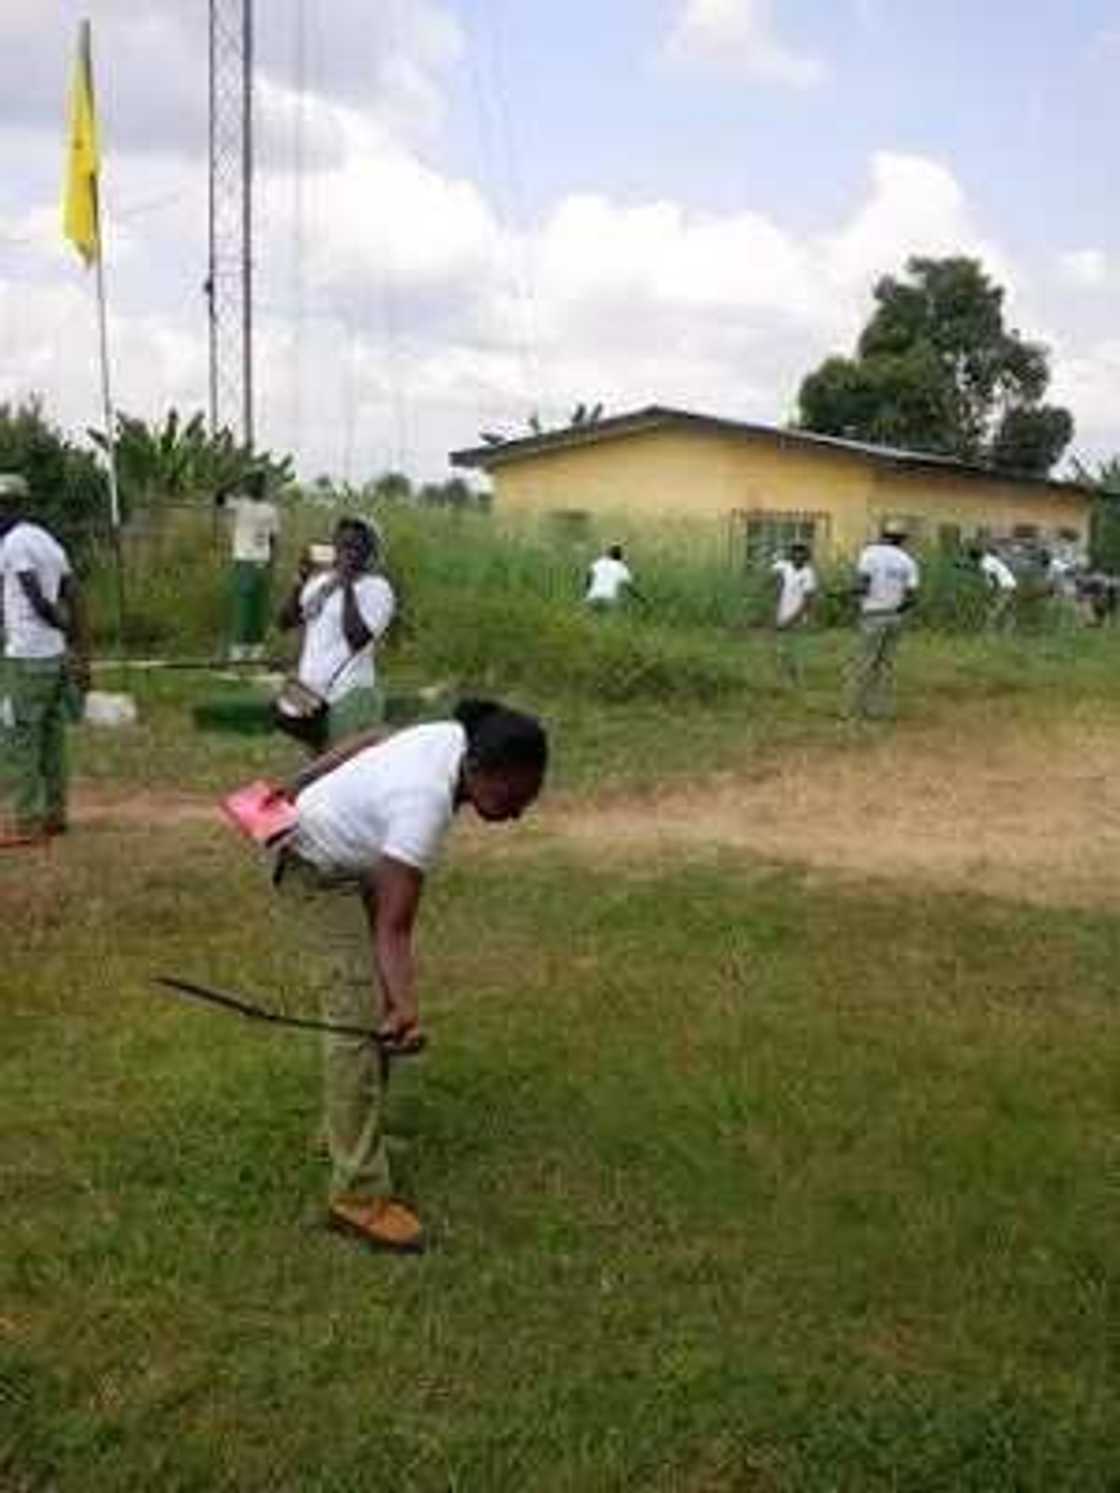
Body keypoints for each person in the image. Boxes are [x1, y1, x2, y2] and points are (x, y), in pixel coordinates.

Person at [268, 698, 548, 1253]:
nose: (517, 813)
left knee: (375, 1013)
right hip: (314, 869)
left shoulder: (453, 737)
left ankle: (347, 1135)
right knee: (357, 1019)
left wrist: (293, 784)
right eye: (513, 797)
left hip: (351, 859)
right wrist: (405, 1009)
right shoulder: (423, 806)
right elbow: (392, 931)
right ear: (481, 772)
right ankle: (358, 1197)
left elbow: (370, 738)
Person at [0, 473, 90, 845]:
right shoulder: (48, 542)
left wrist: (60, 624)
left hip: (26, 656)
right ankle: (56, 815)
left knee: (21, 738)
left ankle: (27, 823)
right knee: (52, 739)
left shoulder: (14, 544)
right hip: (53, 658)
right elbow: (74, 592)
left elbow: (35, 599)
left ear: (9, 507)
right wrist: (77, 648)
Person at [278, 516, 394, 746]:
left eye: (354, 547)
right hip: (306, 689)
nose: (346, 552)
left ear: (370, 552)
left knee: (339, 759)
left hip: (348, 692)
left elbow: (357, 639)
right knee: (307, 745)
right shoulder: (322, 582)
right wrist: (300, 579)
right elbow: (285, 622)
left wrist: (348, 584)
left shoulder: (377, 588)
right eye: (341, 545)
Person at [849, 523, 920, 720]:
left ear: (882, 536)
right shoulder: (908, 561)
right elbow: (911, 598)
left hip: (872, 615)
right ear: (902, 540)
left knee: (865, 662)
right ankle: (880, 709)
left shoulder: (869, 553)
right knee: (885, 665)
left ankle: (856, 709)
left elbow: (863, 585)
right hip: (895, 618)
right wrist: (897, 610)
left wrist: (851, 594)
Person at [215, 467, 280, 661]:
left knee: (259, 609)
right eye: (252, 481)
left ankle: (256, 651)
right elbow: (218, 497)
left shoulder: (270, 510)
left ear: (264, 485)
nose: (256, 485)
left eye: (260, 481)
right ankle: (238, 652)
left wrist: (272, 564)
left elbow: (274, 538)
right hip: (244, 562)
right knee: (243, 607)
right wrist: (236, 479)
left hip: (263, 562)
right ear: (247, 484)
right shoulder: (239, 505)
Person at [770, 541, 818, 684]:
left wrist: (791, 620)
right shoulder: (786, 567)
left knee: (795, 651)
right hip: (782, 614)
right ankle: (782, 680)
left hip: (797, 618)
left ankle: (796, 680)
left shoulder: (809, 574)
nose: (798, 555)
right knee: (781, 650)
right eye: (795, 552)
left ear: (807, 556)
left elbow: (807, 602)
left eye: (802, 552)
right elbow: (772, 568)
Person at [968, 544, 1017, 632]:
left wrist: (995, 590)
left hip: (1003, 587)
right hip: (1012, 584)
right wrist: (965, 567)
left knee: (994, 610)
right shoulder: (989, 558)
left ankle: (989, 631)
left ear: (975, 558)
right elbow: (979, 569)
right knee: (1008, 611)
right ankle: (1008, 631)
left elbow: (993, 576)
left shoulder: (985, 563)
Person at [585, 543, 642, 610]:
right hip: (609, 600)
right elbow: (630, 588)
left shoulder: (600, 562)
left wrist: (587, 589)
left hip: (592, 598)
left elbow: (589, 573)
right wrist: (641, 599)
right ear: (620, 557)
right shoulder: (621, 567)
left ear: (609, 555)